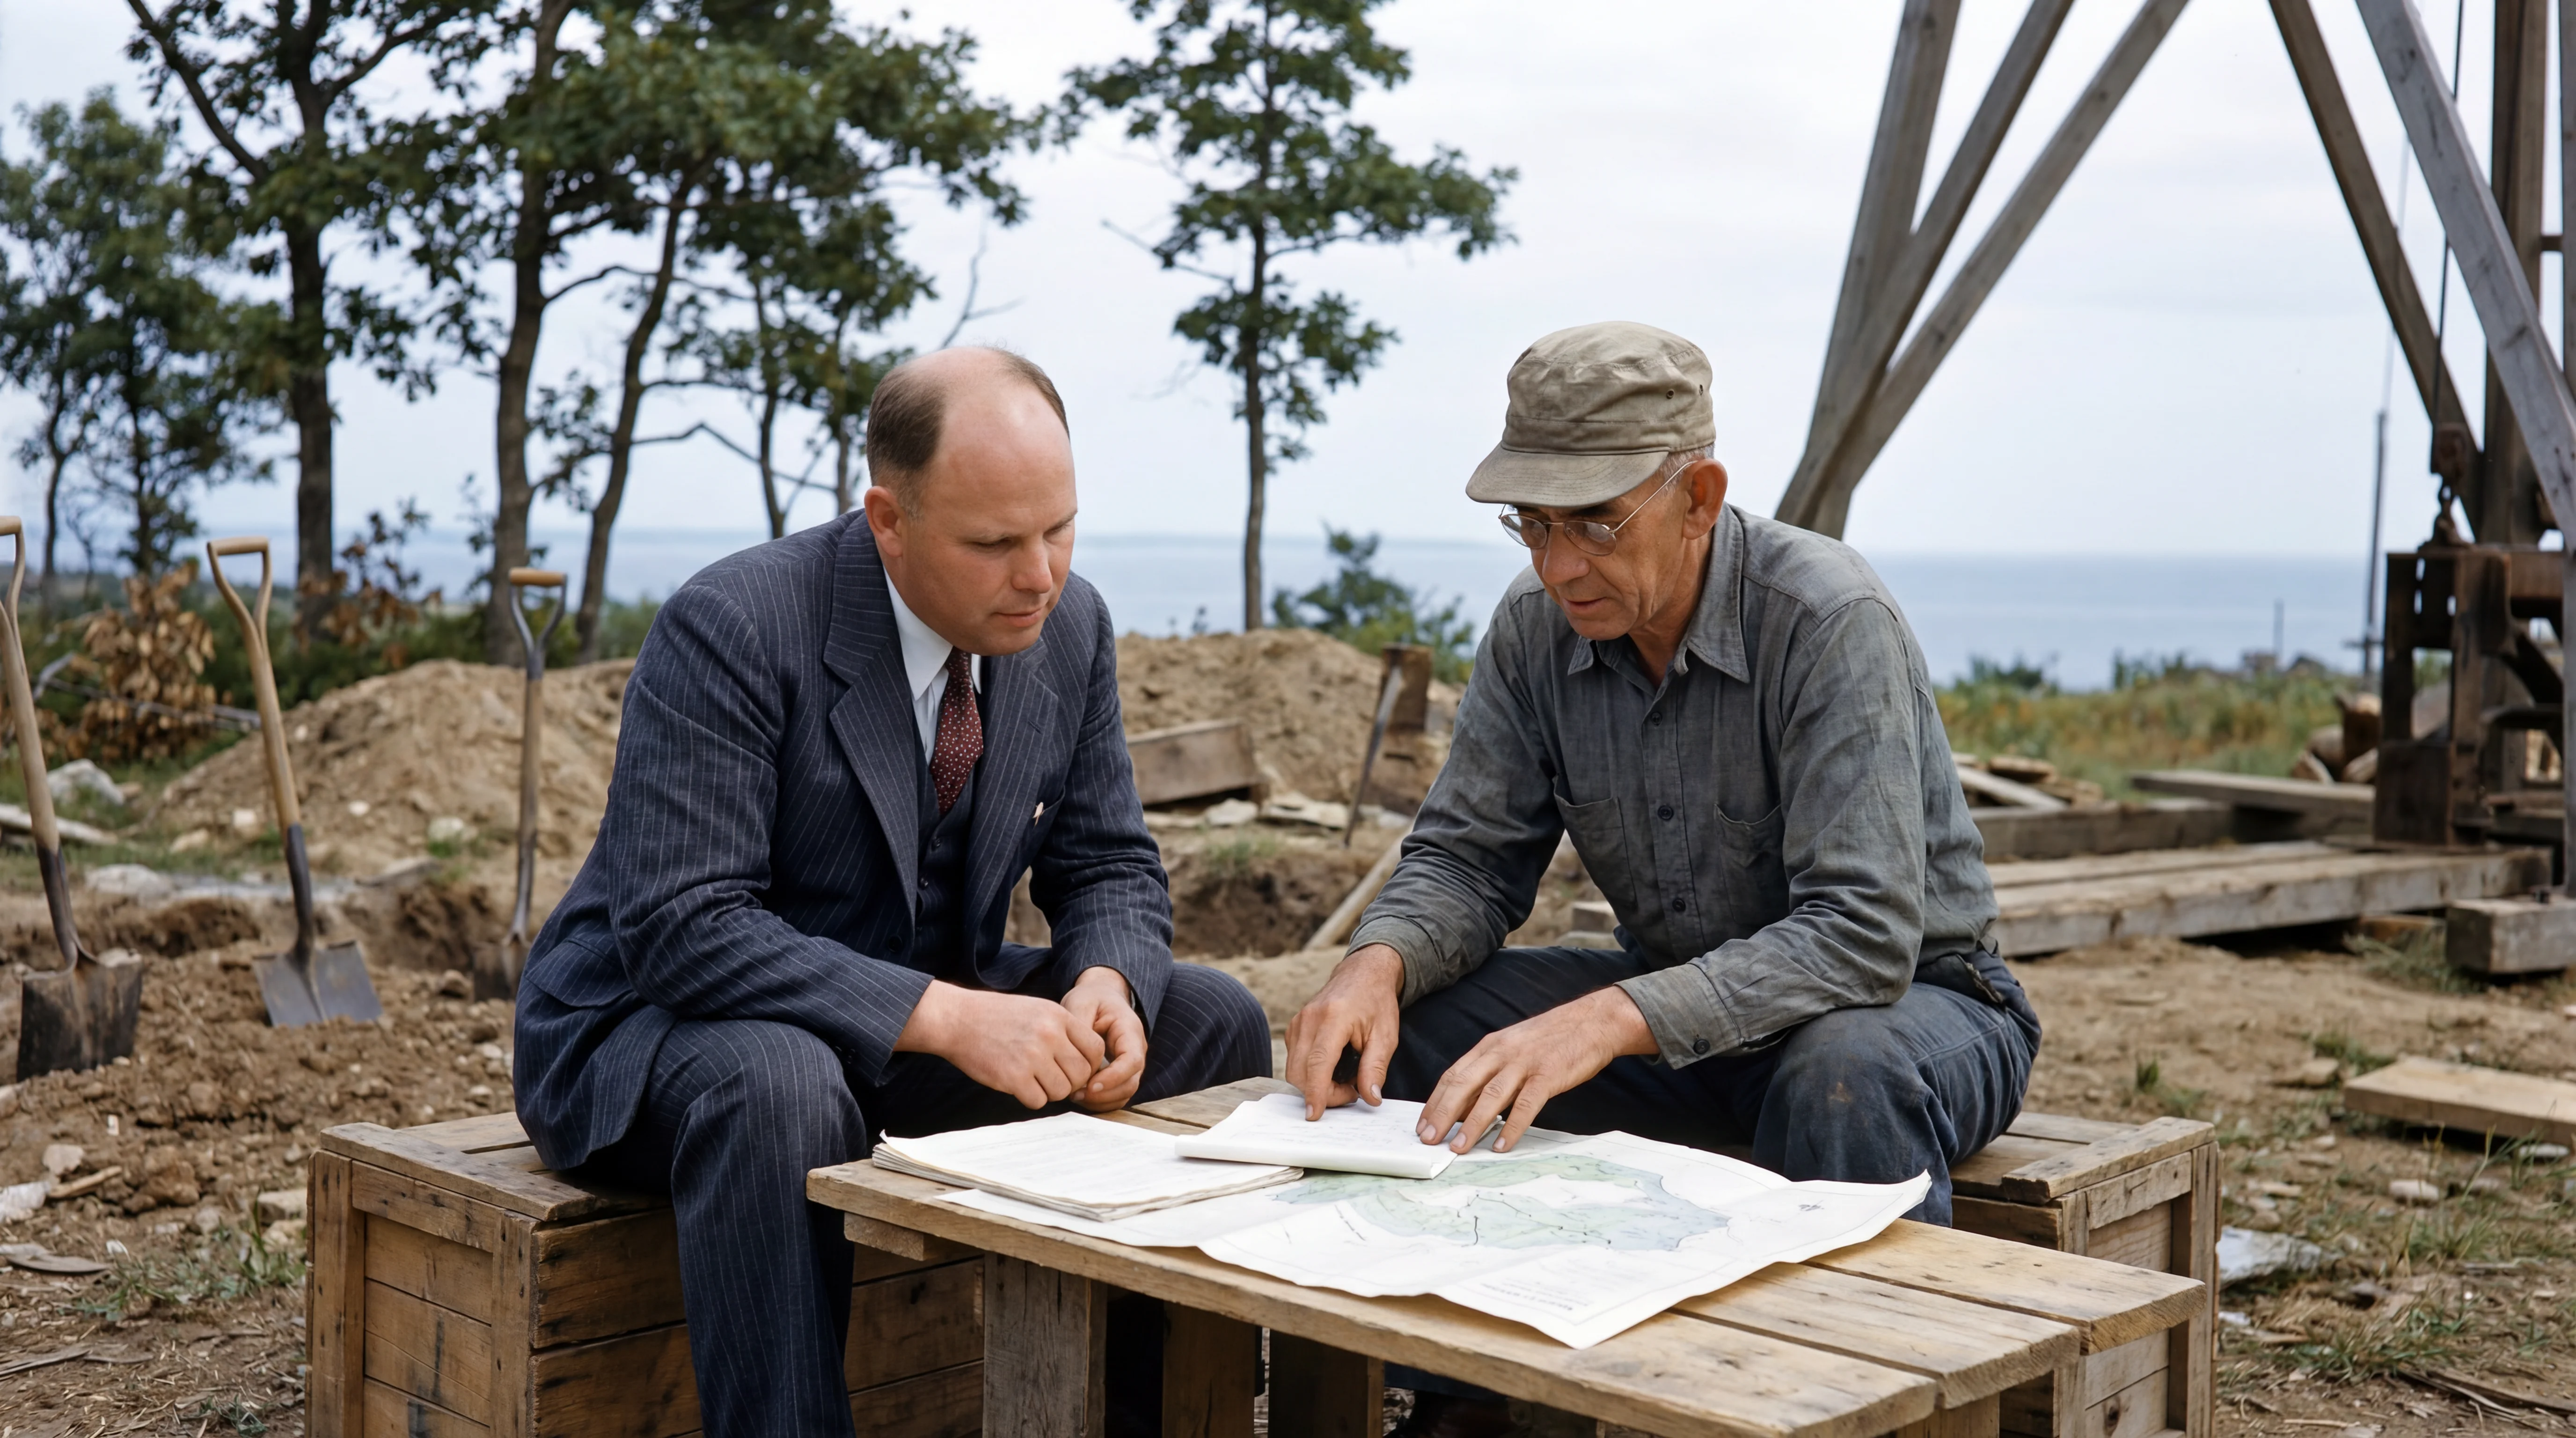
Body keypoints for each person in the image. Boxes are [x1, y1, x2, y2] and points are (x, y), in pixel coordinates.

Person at [1286, 321, 2042, 1437]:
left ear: (1699, 497)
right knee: (1422, 1031)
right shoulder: (1532, 632)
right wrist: (1375, 965)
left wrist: (1609, 1018)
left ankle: (1855, 1409)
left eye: (1595, 523)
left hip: (1918, 1012)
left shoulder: (1827, 619)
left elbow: (1863, 933)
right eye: (1533, 524)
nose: (1557, 566)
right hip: (1688, 1026)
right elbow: (1467, 859)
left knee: (1841, 1075)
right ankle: (1476, 1410)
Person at [514, 346, 1272, 1438]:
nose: (1040, 575)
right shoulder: (732, 625)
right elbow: (683, 927)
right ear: (888, 520)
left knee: (1210, 1021)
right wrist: (952, 1018)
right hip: (660, 1035)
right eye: (994, 544)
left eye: (1060, 529)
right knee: (784, 1082)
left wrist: (1107, 980)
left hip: (902, 1039)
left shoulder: (1070, 628)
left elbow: (1108, 862)